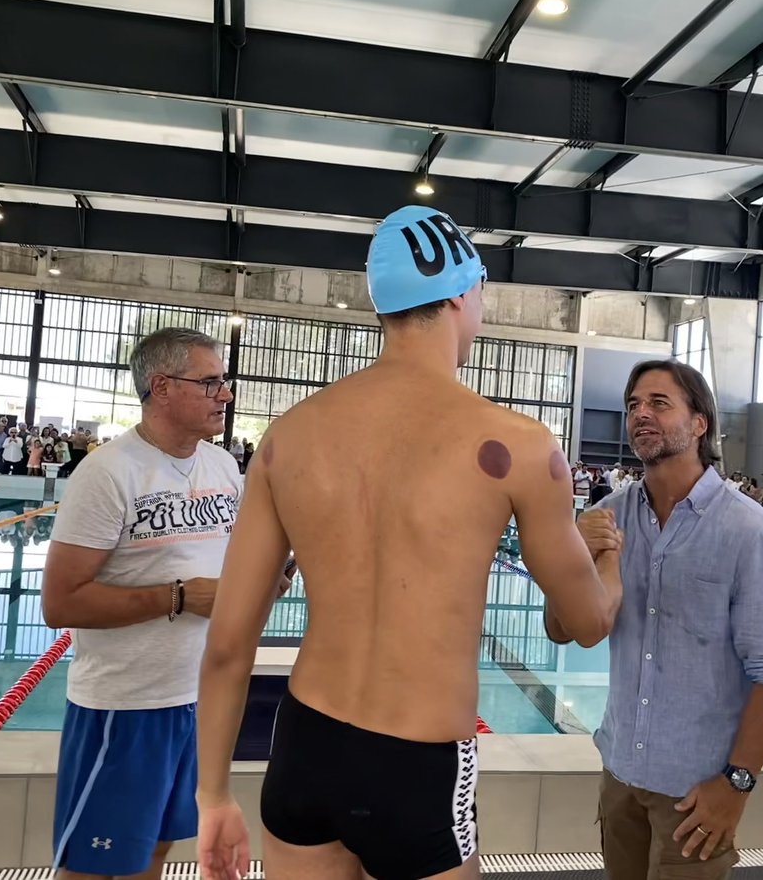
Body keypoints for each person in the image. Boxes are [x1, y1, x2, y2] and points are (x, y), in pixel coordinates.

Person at [194, 205, 622, 880]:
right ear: (459, 292)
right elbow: (591, 622)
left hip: (306, 746)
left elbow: (227, 643)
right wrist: (608, 558)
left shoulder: (288, 437)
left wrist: (212, 794)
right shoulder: (519, 446)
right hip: (419, 762)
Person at [557, 360, 763, 880]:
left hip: (696, 792)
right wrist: (572, 562)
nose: (640, 414)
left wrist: (736, 785)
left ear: (700, 423)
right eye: (633, 405)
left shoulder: (749, 532)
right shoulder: (609, 517)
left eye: (658, 403)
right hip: (620, 775)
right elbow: (566, 632)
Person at [40, 327, 242, 880]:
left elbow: (228, 569)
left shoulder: (223, 468)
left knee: (154, 849)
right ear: (162, 387)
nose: (225, 394)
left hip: (194, 700)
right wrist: (177, 598)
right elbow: (60, 603)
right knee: (93, 866)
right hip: (123, 709)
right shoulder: (108, 473)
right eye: (210, 382)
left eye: (223, 382)